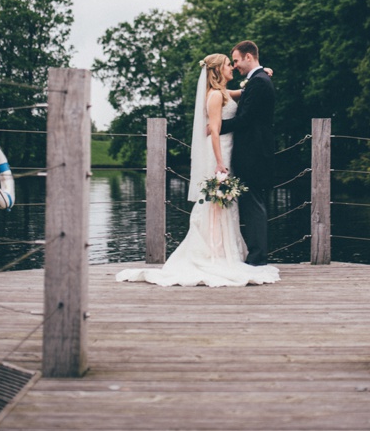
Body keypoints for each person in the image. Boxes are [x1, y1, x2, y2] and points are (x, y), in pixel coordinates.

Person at [117, 54, 279, 287]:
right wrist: (219, 162)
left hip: (231, 149)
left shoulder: (223, 92)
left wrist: (264, 73)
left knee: (225, 205)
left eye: (234, 62)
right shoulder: (214, 95)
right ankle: (211, 254)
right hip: (220, 151)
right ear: (216, 70)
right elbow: (214, 130)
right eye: (227, 64)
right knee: (214, 205)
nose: (232, 67)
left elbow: (246, 93)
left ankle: (225, 252)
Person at [220, 40, 275, 266]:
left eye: (236, 60)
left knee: (253, 206)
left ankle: (257, 258)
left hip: (253, 154)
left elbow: (246, 120)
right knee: (252, 204)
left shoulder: (259, 82)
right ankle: (256, 255)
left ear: (248, 57)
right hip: (255, 152)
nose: (234, 66)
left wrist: (217, 128)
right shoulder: (259, 80)